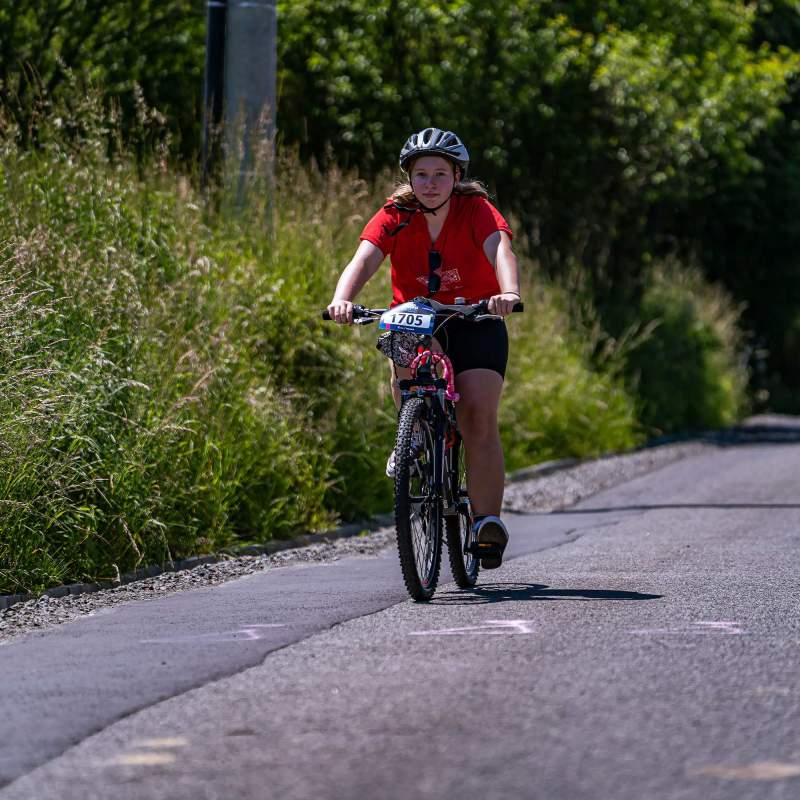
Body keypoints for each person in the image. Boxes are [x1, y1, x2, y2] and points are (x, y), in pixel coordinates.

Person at [326, 127, 521, 569]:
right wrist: (343, 299)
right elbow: (364, 258)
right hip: (417, 317)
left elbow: (501, 250)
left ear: (456, 176)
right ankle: (412, 434)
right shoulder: (395, 214)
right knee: (405, 345)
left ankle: (485, 523)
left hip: (476, 319)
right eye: (421, 174)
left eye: (439, 173)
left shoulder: (477, 210)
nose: (430, 183)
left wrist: (507, 292)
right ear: (408, 178)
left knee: (477, 415)